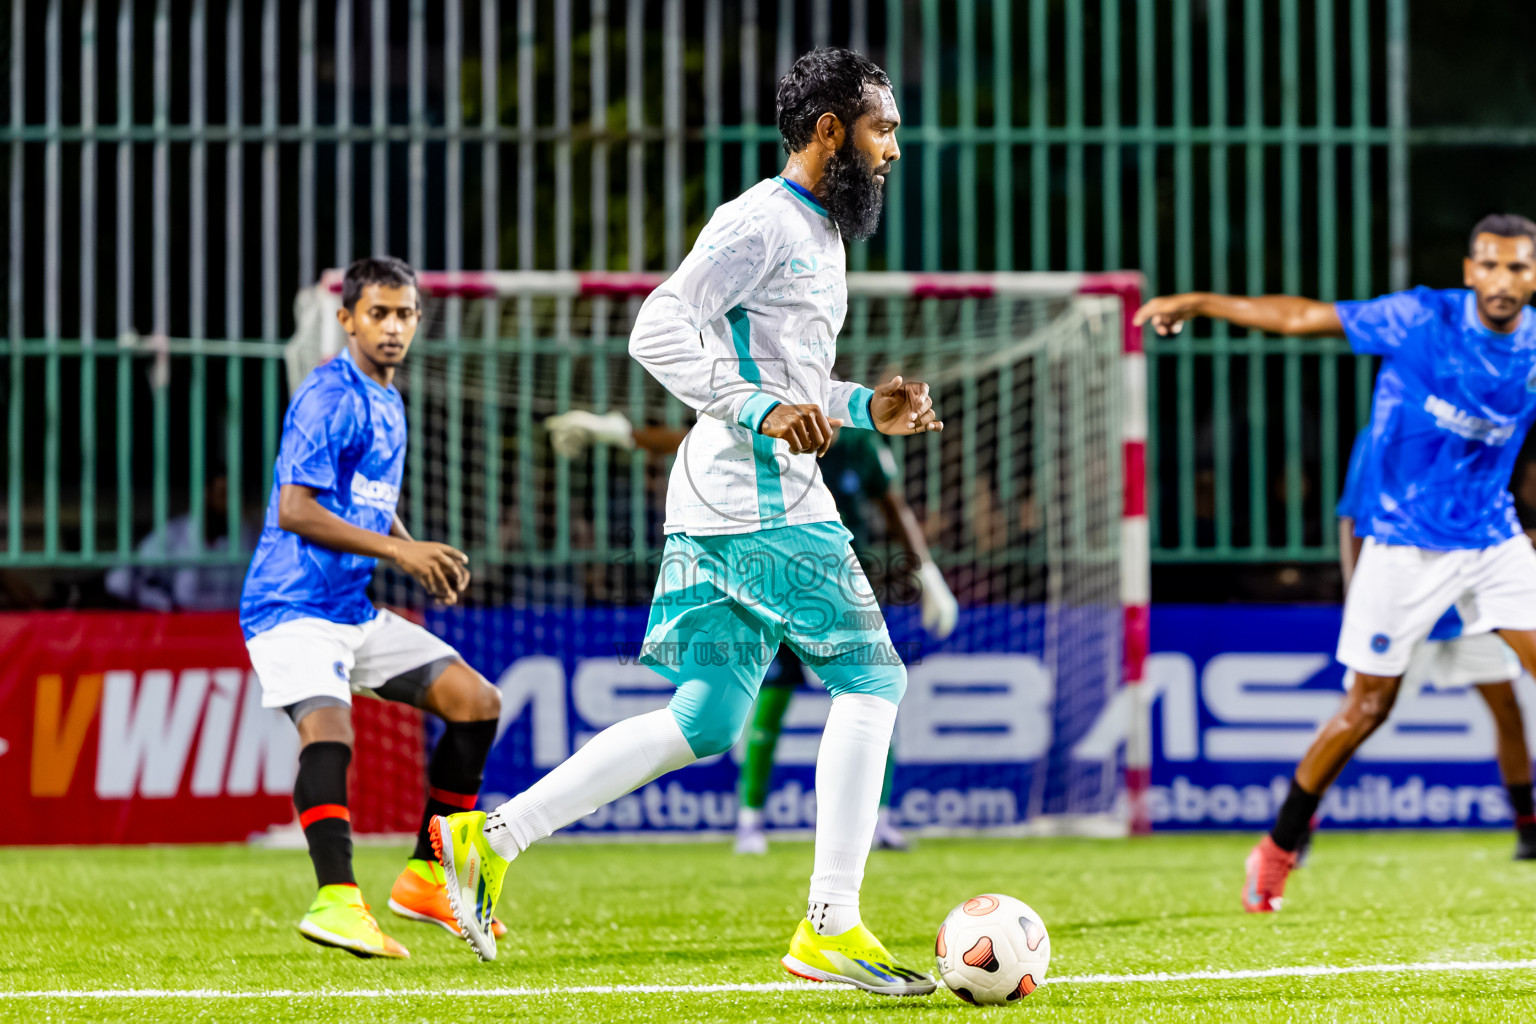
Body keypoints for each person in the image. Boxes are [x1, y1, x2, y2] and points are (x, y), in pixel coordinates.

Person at [432, 48, 943, 994]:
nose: (895, 150)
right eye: (884, 129)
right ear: (830, 131)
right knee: (874, 678)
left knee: (705, 720)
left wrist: (868, 408)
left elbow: (791, 383)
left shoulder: (820, 233)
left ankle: (491, 836)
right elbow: (657, 327)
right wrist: (760, 409)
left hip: (723, 496)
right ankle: (831, 926)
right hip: (758, 497)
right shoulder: (760, 220)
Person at [1135, 213, 1536, 913]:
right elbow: (1299, 318)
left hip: (1492, 539)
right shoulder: (1421, 319)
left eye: (1519, 267)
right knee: (1368, 707)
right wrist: (1203, 303)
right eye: (1491, 265)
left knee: (1510, 692)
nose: (1503, 279)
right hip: (1403, 542)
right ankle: (1279, 845)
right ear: (1470, 271)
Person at [240, 256, 504, 959]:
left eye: (404, 314)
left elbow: (367, 503)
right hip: (290, 603)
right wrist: (400, 555)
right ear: (347, 320)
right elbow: (296, 510)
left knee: (476, 702)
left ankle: (427, 877)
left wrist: (413, 550)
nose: (392, 327)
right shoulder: (328, 396)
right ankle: (336, 900)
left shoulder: (388, 400)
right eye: (377, 313)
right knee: (331, 731)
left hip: (349, 608)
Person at [544, 412, 960, 852]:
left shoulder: (860, 446)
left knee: (875, 696)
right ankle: (750, 822)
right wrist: (615, 431)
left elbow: (894, 506)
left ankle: (876, 823)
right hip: (767, 583)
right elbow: (686, 439)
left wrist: (927, 573)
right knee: (761, 708)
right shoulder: (767, 422)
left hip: (835, 589)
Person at [1334, 435, 1536, 862]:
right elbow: (1352, 517)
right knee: (1359, 713)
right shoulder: (1384, 434)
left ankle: (1527, 827)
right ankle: (1297, 829)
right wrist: (1358, 596)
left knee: (1508, 710)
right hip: (1404, 603)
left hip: (1470, 604)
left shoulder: (1484, 426)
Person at [105, 473, 259, 611]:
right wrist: (165, 605)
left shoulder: (252, 539)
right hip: (182, 625)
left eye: (236, 496)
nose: (229, 503)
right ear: (206, 494)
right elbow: (120, 580)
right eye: (223, 494)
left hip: (232, 625)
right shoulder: (175, 534)